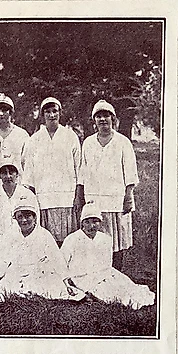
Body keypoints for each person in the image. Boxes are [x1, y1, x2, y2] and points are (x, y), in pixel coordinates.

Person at [76, 99, 139, 271]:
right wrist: (79, 196)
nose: (103, 119)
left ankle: (115, 274)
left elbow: (130, 171)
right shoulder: (88, 143)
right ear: (94, 121)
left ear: (113, 118)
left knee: (116, 243)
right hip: (94, 200)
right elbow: (83, 171)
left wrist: (129, 196)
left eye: (106, 115)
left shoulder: (122, 142)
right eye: (99, 116)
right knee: (96, 238)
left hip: (116, 200)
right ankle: (97, 274)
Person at [61, 202, 155, 309]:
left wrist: (106, 276)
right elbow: (61, 263)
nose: (91, 226)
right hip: (82, 278)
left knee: (128, 287)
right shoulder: (72, 239)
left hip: (104, 274)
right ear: (82, 223)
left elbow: (106, 264)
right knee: (111, 295)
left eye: (95, 221)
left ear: (100, 222)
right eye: (87, 222)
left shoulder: (105, 239)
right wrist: (68, 282)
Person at [0, 201, 84, 302]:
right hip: (17, 271)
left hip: (39, 272)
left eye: (28, 216)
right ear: (15, 218)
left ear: (35, 217)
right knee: (2, 290)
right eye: (20, 217)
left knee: (46, 289)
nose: (24, 220)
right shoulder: (11, 235)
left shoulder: (44, 235)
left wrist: (66, 283)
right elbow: (4, 259)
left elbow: (57, 260)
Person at [22, 97, 82, 245]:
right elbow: (28, 172)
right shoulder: (34, 140)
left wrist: (78, 195)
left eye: (54, 111)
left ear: (60, 113)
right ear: (43, 115)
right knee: (46, 243)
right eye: (47, 112)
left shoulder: (70, 137)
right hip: (44, 199)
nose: (51, 115)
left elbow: (79, 168)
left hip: (66, 200)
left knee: (67, 242)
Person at [0, 159, 39, 275]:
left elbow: (36, 221)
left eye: (11, 172)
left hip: (22, 244)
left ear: (17, 175)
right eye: (4, 173)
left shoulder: (28, 194)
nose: (8, 176)